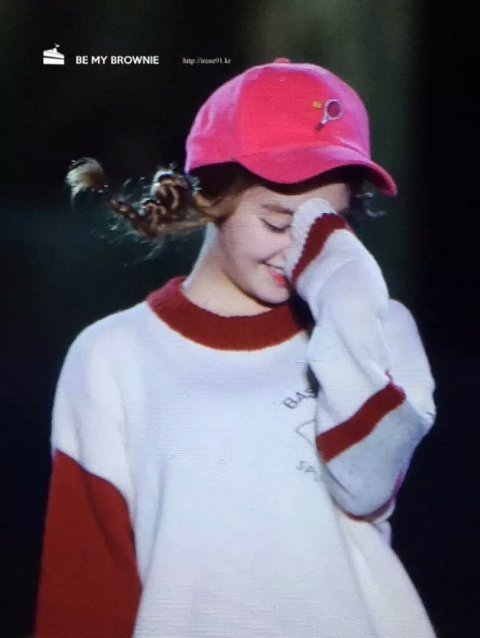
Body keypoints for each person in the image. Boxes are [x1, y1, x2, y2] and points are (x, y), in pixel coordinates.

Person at [35, 58, 437, 637]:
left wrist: (345, 296)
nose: (300, 249)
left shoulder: (377, 330)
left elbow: (365, 484)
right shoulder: (112, 356)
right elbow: (85, 581)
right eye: (279, 221)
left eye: (329, 226)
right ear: (209, 198)